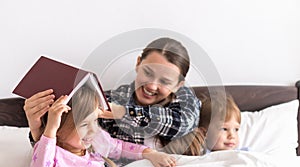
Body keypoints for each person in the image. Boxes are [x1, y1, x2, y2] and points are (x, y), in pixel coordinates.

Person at [24, 37, 201, 150]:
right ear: (138, 63)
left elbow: (182, 123)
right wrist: (36, 128)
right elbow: (65, 147)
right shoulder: (112, 99)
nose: (152, 86)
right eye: (148, 73)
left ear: (178, 84)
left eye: (164, 81)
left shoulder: (185, 98)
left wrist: (124, 113)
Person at [29, 84, 176, 167]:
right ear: (58, 127)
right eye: (85, 124)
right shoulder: (49, 151)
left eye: (95, 121)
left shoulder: (96, 140)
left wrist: (150, 153)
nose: (93, 130)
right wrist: (50, 131)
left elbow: (121, 148)